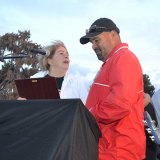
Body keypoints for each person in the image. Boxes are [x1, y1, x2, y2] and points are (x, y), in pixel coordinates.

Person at [80, 18, 145, 160]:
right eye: (92, 43)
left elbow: (120, 103)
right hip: (109, 149)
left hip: (120, 151)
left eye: (97, 40)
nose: (93, 46)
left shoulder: (124, 58)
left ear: (113, 35)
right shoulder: (113, 61)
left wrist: (88, 115)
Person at [19, 40, 88, 104]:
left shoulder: (77, 83)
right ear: (49, 60)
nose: (66, 56)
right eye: (61, 53)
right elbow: (26, 107)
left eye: (67, 54)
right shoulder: (35, 80)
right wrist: (21, 104)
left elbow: (87, 109)